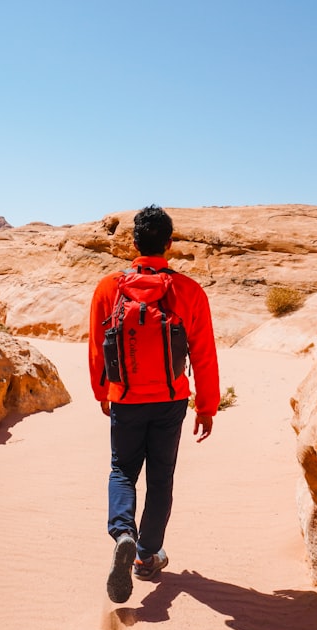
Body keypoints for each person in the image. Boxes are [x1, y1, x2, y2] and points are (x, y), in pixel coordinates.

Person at [88, 204, 220, 604]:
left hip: (125, 398)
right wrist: (207, 405)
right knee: (161, 477)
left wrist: (103, 392)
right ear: (169, 244)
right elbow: (203, 353)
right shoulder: (189, 291)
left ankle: (123, 533)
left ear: (133, 243)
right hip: (171, 399)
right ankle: (147, 556)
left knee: (123, 469)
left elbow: (96, 347)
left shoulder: (109, 288)